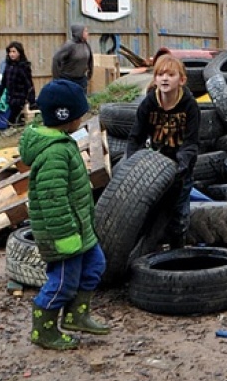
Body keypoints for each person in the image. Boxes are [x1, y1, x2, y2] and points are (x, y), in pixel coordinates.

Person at [19, 78, 110, 350]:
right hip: (64, 233)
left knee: (95, 265)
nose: (83, 117)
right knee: (61, 283)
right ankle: (44, 331)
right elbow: (52, 199)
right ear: (65, 116)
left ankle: (76, 316)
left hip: (79, 229)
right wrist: (65, 235)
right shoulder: (54, 153)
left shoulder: (63, 142)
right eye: (79, 113)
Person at [126, 54, 200, 249]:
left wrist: (182, 163)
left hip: (182, 170)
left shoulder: (190, 106)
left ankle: (178, 253)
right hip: (156, 166)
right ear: (155, 79)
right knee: (151, 213)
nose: (164, 78)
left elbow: (191, 142)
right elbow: (136, 137)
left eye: (170, 74)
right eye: (160, 74)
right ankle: (151, 252)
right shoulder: (148, 104)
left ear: (181, 80)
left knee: (179, 217)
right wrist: (132, 164)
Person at [0, 41, 37, 125]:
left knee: (11, 121)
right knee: (17, 121)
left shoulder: (23, 67)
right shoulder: (8, 66)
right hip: (11, 99)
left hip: (20, 99)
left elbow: (29, 85)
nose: (11, 54)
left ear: (19, 53)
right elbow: (3, 84)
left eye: (14, 52)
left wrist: (32, 102)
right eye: (10, 52)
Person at [52, 24, 94, 91]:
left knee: (81, 100)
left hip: (81, 80)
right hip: (68, 80)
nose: (87, 33)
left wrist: (90, 72)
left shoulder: (86, 45)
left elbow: (90, 59)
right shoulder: (69, 45)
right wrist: (57, 80)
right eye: (85, 31)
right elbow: (56, 59)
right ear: (79, 32)